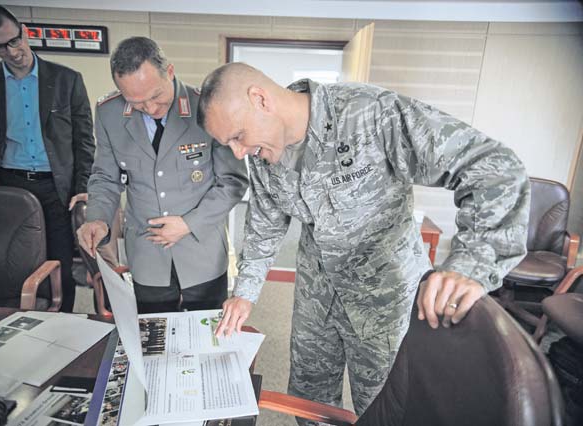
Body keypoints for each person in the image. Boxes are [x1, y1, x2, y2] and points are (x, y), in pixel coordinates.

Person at [196, 62, 530, 421]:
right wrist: (245, 291)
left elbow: (494, 167)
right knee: (309, 401)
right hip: (317, 299)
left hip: (384, 302)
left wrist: (471, 264)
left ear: (260, 99)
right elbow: (265, 223)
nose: (237, 153)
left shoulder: (369, 114)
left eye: (237, 136)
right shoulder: (262, 154)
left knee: (383, 408)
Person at [77, 37, 248, 314]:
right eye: (137, 102)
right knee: (153, 335)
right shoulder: (109, 113)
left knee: (206, 332)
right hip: (146, 251)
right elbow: (105, 177)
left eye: (156, 96)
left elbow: (233, 182)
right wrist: (98, 218)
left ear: (169, 72)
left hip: (201, 247)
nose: (151, 109)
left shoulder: (204, 107)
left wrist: (188, 223)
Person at [0, 5, 95, 313]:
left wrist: (83, 186)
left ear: (25, 32)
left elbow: (85, 141)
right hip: (8, 186)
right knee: (12, 266)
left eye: (15, 40)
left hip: (57, 189)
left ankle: (63, 325)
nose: (12, 51)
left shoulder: (66, 80)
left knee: (59, 264)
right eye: (0, 46)